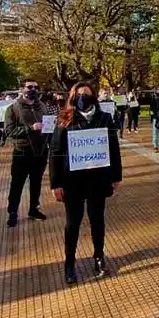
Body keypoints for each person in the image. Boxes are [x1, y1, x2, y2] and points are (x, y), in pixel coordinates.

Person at [50, 82, 122, 284]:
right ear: (73, 98)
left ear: (94, 97)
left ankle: (99, 257)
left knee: (97, 220)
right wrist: (55, 183)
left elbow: (114, 149)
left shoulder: (104, 118)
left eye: (87, 95)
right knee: (72, 223)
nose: (83, 98)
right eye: (80, 95)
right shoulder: (64, 119)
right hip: (72, 181)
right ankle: (70, 262)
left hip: (97, 179)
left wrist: (116, 176)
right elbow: (55, 153)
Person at [4, 79, 49, 228]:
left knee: (36, 182)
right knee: (17, 183)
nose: (33, 90)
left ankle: (34, 209)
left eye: (36, 87)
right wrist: (30, 128)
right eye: (30, 87)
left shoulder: (42, 106)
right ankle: (13, 212)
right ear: (22, 89)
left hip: (41, 151)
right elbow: (9, 131)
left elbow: (48, 125)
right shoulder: (13, 108)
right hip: (22, 151)